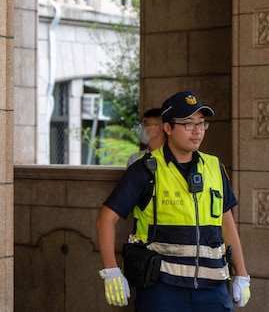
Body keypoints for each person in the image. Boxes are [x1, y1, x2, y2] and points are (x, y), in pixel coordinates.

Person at [96, 91, 251, 311]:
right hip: (163, 290)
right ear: (167, 128)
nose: (197, 130)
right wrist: (111, 271)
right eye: (188, 124)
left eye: (201, 123)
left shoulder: (214, 167)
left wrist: (242, 274)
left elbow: (226, 223)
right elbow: (105, 220)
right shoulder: (145, 169)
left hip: (212, 288)